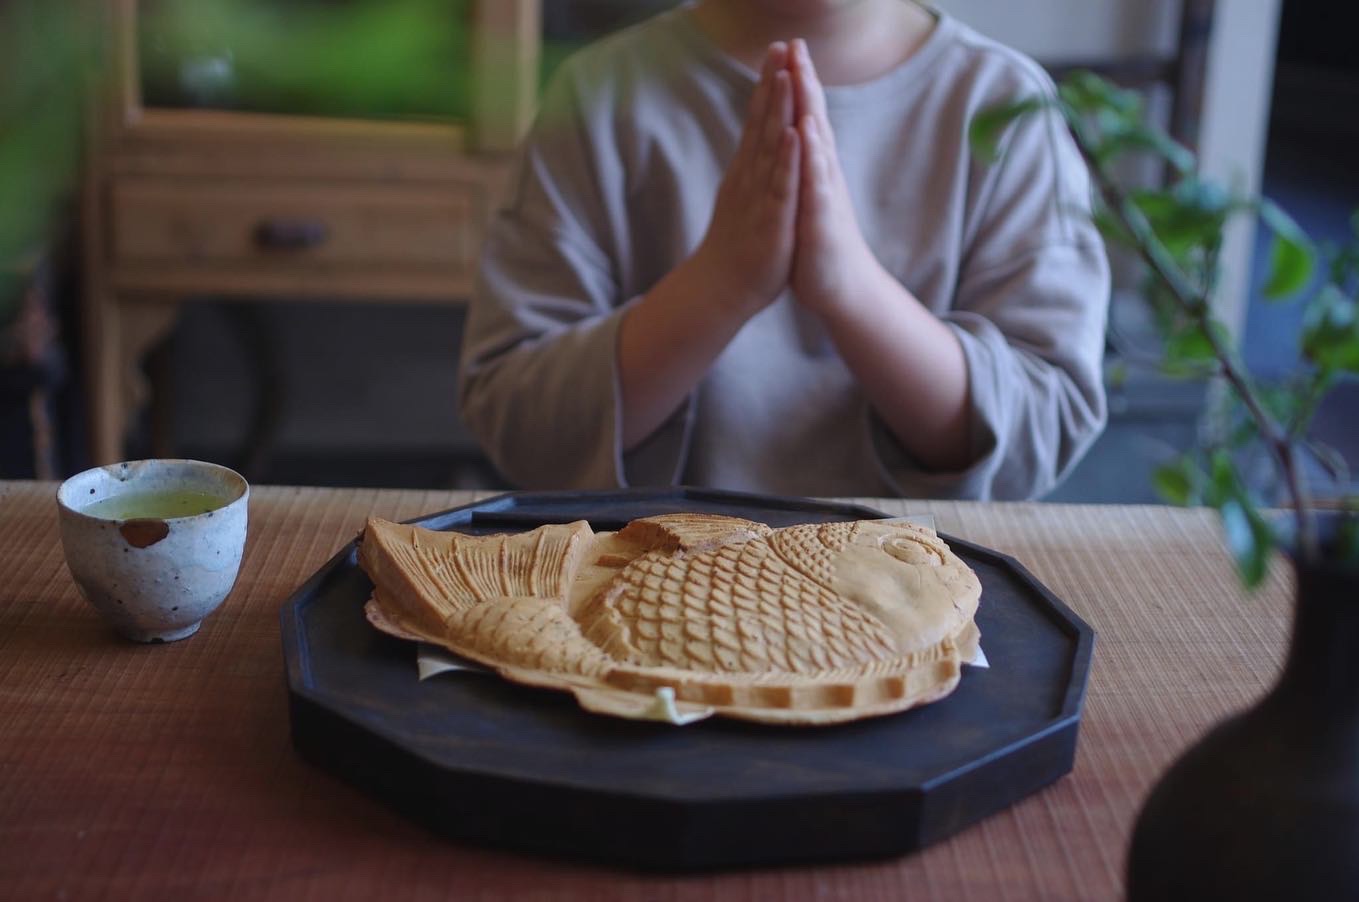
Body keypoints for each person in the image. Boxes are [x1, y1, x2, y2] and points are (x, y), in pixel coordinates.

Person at [457, 0, 1110, 499]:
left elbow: (1042, 427)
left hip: (924, 608)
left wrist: (852, 289)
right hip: (634, 597)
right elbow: (518, 420)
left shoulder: (1003, 108)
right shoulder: (599, 95)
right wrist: (720, 285)